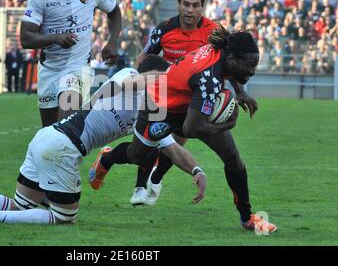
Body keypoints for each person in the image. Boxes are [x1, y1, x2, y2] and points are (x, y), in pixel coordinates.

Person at [0, 56, 207, 225]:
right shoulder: (129, 76)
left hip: (46, 140)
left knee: (22, 206)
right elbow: (123, 84)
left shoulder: (150, 108)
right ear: (150, 74)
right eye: (160, 78)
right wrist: (156, 78)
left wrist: (197, 171)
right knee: (63, 218)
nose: (164, 84)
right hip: (62, 147)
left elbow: (172, 147)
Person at [90, 27, 277, 233]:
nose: (253, 71)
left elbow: (225, 74)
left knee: (232, 155)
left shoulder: (221, 52)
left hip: (187, 101)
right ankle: (107, 158)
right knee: (136, 156)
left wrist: (240, 92)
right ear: (231, 58)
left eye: (254, 65)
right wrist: (228, 124)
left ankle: (247, 217)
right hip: (158, 105)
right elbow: (191, 129)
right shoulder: (209, 79)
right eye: (249, 65)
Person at [130, 0, 258, 206]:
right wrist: (142, 83)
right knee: (145, 148)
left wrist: (240, 91)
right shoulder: (164, 29)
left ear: (202, 7)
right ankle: (140, 186)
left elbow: (230, 61)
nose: (190, 10)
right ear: (179, 5)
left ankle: (156, 178)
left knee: (180, 141)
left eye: (196, 5)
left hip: (197, 96)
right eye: (186, 4)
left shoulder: (214, 31)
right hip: (165, 94)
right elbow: (144, 59)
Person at [20, 0, 122, 127]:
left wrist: (112, 42)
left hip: (78, 67)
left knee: (67, 124)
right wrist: (55, 38)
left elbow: (114, 11)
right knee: (50, 132)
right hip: (49, 70)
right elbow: (26, 38)